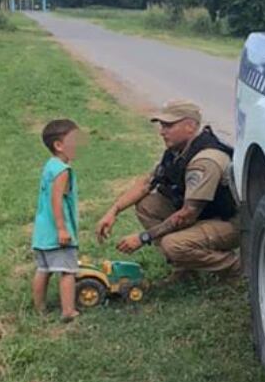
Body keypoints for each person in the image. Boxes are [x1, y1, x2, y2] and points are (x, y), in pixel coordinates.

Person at [94, 100, 239, 277]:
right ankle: (185, 266)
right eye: (162, 125)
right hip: (204, 215)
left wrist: (143, 237)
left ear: (190, 126)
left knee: (173, 245)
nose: (162, 132)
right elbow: (146, 183)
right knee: (147, 205)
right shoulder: (178, 151)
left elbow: (187, 215)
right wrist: (113, 211)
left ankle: (237, 267)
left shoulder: (205, 160)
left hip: (229, 222)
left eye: (169, 125)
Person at [31, 118, 82, 321]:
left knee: (43, 269)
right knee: (67, 271)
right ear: (59, 145)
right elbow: (56, 200)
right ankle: (68, 311)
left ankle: (40, 308)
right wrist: (62, 228)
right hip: (57, 232)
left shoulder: (50, 165)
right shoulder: (62, 171)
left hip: (42, 232)